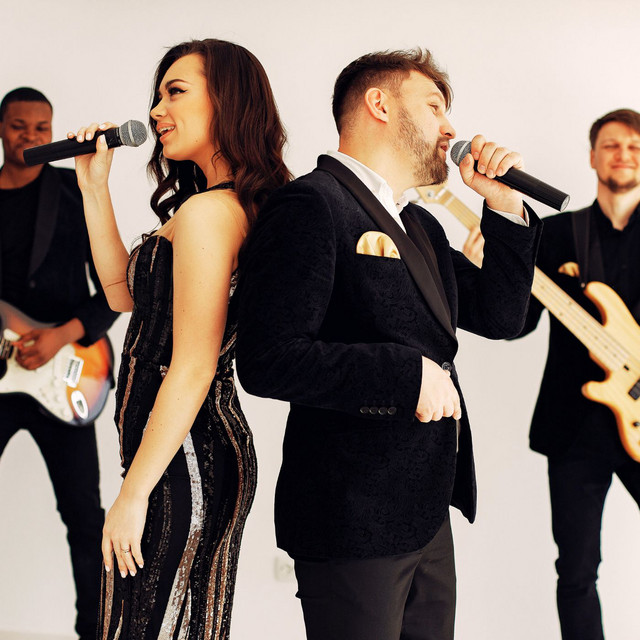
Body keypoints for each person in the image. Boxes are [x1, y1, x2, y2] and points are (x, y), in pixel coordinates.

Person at [236, 48, 542, 640]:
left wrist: (503, 205)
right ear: (379, 104)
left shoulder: (420, 225)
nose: (450, 128)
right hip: (350, 514)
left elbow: (502, 316)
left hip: (426, 512)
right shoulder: (310, 204)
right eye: (434, 107)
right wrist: (406, 375)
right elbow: (267, 359)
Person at [73, 39, 290, 639]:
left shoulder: (210, 214)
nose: (157, 110)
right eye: (158, 94)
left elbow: (194, 364)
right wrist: (94, 188)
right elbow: (124, 297)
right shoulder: (210, 206)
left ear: (228, 100)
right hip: (182, 454)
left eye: (176, 92)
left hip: (187, 458)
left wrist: (132, 494)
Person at [465, 108, 640, 640]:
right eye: (612, 145)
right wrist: (490, 271)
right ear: (592, 157)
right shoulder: (559, 232)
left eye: (635, 146)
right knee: (577, 571)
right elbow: (517, 324)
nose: (624, 155)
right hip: (574, 430)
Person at [0, 87, 119, 640]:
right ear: (1, 128)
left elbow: (115, 290)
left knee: (83, 515)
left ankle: (94, 630)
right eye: (18, 126)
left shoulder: (74, 193)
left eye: (41, 128)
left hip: (68, 373)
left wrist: (60, 336)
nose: (30, 136)